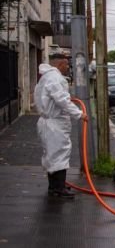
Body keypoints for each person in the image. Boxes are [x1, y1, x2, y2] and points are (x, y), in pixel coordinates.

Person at [34, 54, 87, 199]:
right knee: (59, 155)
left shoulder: (45, 77)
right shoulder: (55, 78)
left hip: (48, 122)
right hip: (54, 123)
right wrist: (79, 114)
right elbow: (63, 100)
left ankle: (56, 186)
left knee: (51, 155)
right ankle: (59, 189)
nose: (68, 67)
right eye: (66, 65)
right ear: (59, 65)